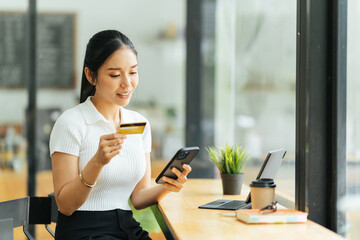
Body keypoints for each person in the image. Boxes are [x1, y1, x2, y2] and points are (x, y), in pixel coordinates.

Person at [49, 30, 192, 240]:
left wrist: (167, 186)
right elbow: (66, 206)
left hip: (126, 228)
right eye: (115, 74)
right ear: (91, 75)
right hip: (83, 232)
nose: (127, 83)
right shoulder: (71, 123)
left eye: (133, 72)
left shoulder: (139, 124)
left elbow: (138, 197)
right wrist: (97, 162)